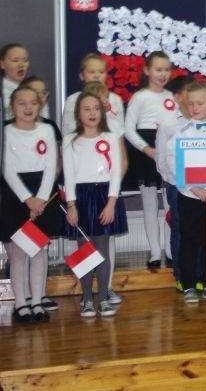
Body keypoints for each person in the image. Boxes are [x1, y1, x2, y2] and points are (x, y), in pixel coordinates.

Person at [1, 86, 63, 322]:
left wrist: (42, 199)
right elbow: (6, 167)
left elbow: (50, 165)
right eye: (22, 103)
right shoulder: (6, 131)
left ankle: (37, 302)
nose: (28, 108)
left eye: (33, 103)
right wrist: (28, 199)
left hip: (43, 192)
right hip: (16, 195)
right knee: (18, 252)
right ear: (12, 106)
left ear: (40, 106)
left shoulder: (47, 129)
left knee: (38, 250)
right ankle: (21, 304)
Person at [63, 91, 128, 318]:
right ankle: (88, 299)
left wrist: (111, 203)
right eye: (86, 109)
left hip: (105, 196)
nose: (92, 113)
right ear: (78, 114)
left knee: (102, 249)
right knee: (84, 250)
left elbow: (115, 173)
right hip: (81, 197)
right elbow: (69, 176)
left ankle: (103, 299)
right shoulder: (70, 141)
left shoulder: (110, 137)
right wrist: (71, 205)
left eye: (96, 109)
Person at [167, 80, 206, 303]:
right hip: (190, 197)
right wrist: (192, 188)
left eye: (200, 103)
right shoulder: (181, 133)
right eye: (191, 103)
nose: (194, 108)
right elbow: (174, 163)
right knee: (190, 240)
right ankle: (189, 284)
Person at [124, 51, 173, 269]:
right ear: (147, 70)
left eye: (166, 70)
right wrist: (147, 149)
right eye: (158, 69)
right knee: (150, 205)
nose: (163, 74)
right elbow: (128, 129)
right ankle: (154, 252)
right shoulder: (140, 97)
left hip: (169, 152)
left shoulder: (172, 96)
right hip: (147, 151)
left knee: (171, 204)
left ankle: (170, 250)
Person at [155, 75, 194, 291]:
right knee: (180, 228)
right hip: (176, 185)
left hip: (202, 185)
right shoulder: (169, 122)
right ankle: (181, 275)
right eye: (189, 91)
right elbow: (161, 156)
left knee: (199, 228)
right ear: (178, 97)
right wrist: (171, 180)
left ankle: (199, 274)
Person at [1, 43, 48, 120]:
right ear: (2, 64)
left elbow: (44, 119)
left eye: (25, 60)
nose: (21, 65)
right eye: (15, 60)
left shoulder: (37, 90)